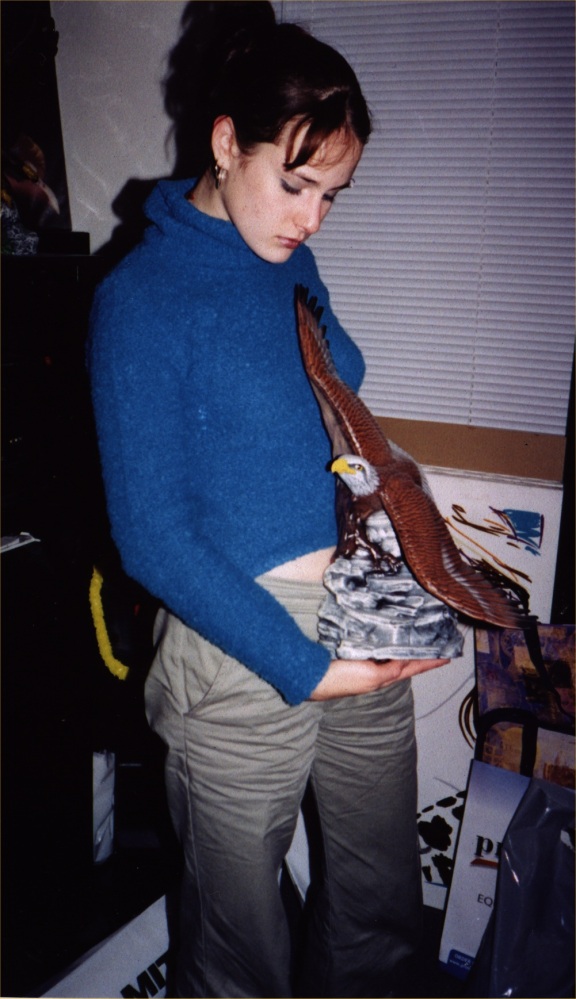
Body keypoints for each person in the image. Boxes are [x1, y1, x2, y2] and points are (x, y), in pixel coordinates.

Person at [88, 4, 450, 996]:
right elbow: (152, 539)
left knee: (379, 906)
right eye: (294, 184)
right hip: (241, 642)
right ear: (223, 143)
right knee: (239, 944)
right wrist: (306, 667)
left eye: (333, 195)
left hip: (359, 606)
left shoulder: (294, 261)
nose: (310, 218)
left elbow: (335, 389)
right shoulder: (143, 299)